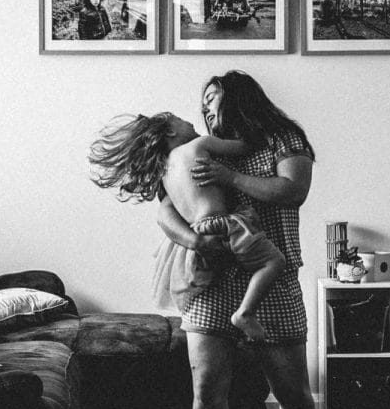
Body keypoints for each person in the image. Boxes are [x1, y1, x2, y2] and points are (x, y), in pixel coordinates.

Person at [158, 71, 331, 409]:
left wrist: (228, 177)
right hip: (210, 280)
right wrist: (196, 240)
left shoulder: (282, 139)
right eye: (201, 104)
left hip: (273, 279)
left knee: (291, 389)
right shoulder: (191, 148)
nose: (204, 111)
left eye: (212, 100)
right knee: (207, 387)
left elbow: (293, 190)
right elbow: (163, 209)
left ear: (238, 100)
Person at [87, 112, 286, 341]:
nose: (189, 120)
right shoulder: (200, 144)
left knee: (215, 289)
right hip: (224, 225)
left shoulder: (164, 173)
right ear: (171, 130)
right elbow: (244, 147)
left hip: (198, 231)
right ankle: (244, 313)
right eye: (179, 119)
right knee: (273, 262)